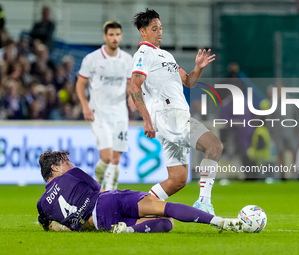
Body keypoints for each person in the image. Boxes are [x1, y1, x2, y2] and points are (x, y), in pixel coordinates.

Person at [130, 9, 222, 215]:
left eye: (161, 28)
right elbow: (134, 86)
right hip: (169, 116)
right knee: (214, 145)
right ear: (143, 32)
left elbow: (188, 81)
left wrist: (198, 68)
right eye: (154, 29)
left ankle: (140, 209)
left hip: (175, 116)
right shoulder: (144, 53)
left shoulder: (166, 55)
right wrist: (146, 120)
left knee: (178, 179)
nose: (159, 32)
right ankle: (204, 203)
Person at [36, 150, 243, 233]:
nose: (70, 164)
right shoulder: (73, 175)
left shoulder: (42, 204)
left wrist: (64, 227)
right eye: (66, 162)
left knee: (165, 225)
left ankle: (128, 230)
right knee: (167, 213)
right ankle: (217, 221)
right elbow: (99, 190)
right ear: (55, 168)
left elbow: (46, 224)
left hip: (100, 224)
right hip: (107, 201)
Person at [76, 21, 134, 191]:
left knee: (116, 158)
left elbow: (131, 84)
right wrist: (85, 106)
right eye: (111, 35)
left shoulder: (127, 59)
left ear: (121, 36)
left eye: (117, 35)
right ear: (105, 37)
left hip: (120, 114)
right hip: (99, 113)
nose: (114, 38)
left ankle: (110, 191)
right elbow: (80, 84)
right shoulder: (92, 59)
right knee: (107, 157)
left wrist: (131, 97)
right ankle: (97, 182)